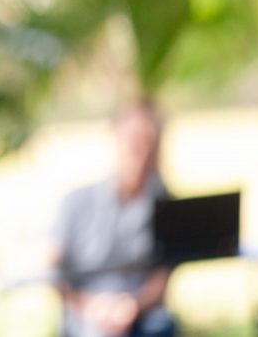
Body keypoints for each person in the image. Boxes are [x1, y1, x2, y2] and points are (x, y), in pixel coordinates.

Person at [49, 103, 176, 337]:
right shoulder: (76, 202)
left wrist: (133, 307)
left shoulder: (165, 204)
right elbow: (51, 267)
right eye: (135, 142)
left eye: (151, 144)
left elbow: (163, 279)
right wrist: (88, 307)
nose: (143, 153)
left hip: (142, 312)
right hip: (87, 312)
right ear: (117, 140)